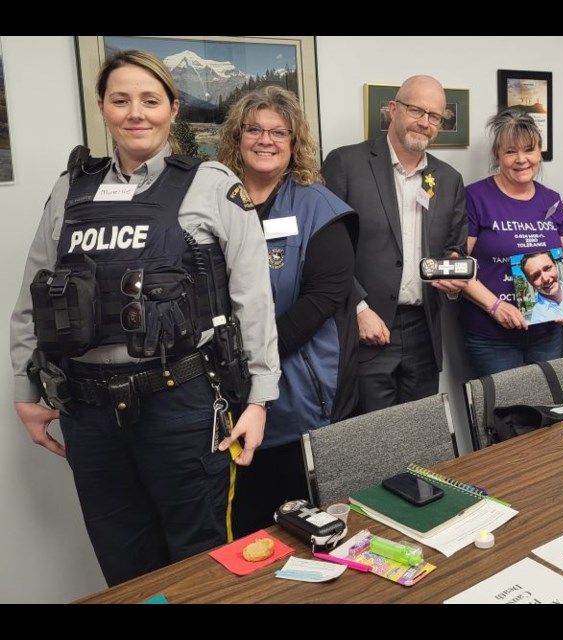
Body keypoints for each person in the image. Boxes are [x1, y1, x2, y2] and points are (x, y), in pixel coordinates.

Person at [8, 50, 280, 586]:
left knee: (200, 565)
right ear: (104, 109)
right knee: (124, 566)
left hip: (183, 407)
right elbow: (33, 296)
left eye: (150, 100)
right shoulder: (70, 190)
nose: (137, 113)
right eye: (121, 100)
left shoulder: (211, 182)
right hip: (87, 413)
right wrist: (25, 388)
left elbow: (255, 297)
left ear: (172, 109)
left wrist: (259, 400)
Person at [218, 86, 359, 537]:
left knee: (296, 521)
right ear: (236, 138)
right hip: (224, 386)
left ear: (294, 142)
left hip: (300, 390)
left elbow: (325, 298)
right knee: (241, 525)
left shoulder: (316, 205)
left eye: (278, 132)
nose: (265, 140)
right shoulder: (216, 200)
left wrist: (258, 359)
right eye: (253, 129)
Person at [322, 76, 467, 412]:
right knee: (373, 441)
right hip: (367, 328)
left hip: (424, 331)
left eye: (435, 116)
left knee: (421, 434)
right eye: (417, 110)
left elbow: (454, 247)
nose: (425, 122)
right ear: (392, 110)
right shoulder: (346, 164)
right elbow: (326, 252)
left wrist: (453, 279)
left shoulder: (447, 179)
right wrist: (358, 310)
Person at [459, 108, 563, 377]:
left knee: (551, 413)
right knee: (505, 416)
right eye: (511, 151)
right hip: (492, 336)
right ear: (497, 155)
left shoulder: (551, 200)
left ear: (540, 152)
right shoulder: (475, 197)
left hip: (546, 332)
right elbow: (458, 265)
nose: (521, 159)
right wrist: (495, 306)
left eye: (529, 150)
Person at [521, 251, 563, 324]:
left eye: (547, 269)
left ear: (556, 265)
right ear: (530, 282)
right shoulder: (538, 318)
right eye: (536, 276)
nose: (545, 279)